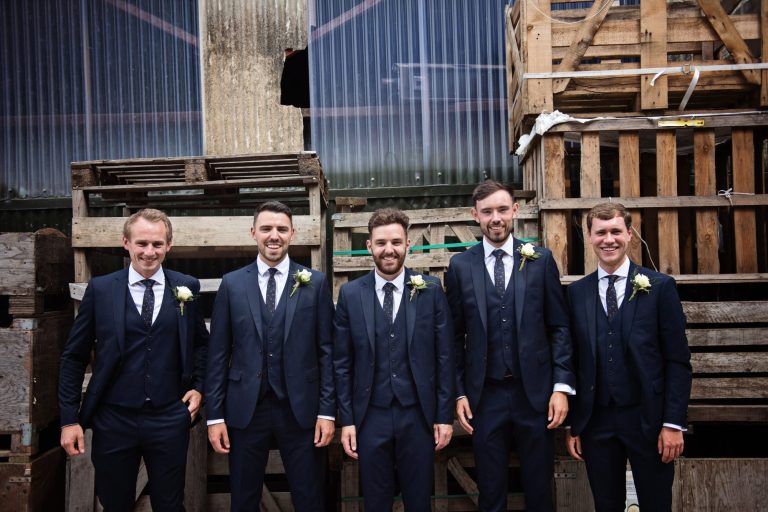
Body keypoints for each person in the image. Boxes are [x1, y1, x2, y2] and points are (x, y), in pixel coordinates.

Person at [58, 208, 209, 512]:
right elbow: (74, 357)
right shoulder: (102, 289)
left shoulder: (186, 287)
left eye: (157, 244)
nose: (149, 252)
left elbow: (201, 346)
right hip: (114, 418)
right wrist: (69, 419)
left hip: (169, 417)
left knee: (171, 505)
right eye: (142, 243)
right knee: (115, 504)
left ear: (169, 245)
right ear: (125, 243)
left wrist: (199, 387)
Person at [445, 180, 575, 512]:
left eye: (502, 210)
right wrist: (459, 392)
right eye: (487, 211)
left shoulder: (541, 260)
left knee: (539, 491)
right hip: (484, 397)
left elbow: (559, 328)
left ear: (515, 211)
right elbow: (453, 337)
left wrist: (561, 387)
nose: (496, 218)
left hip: (535, 396)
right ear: (475, 215)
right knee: (490, 493)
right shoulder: (460, 267)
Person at [205, 201, 335, 512]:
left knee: (309, 496)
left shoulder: (315, 282)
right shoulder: (233, 284)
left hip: (301, 409)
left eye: (281, 229)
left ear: (292, 233)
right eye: (266, 228)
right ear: (253, 233)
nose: (273, 235)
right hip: (246, 409)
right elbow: (218, 354)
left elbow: (327, 351)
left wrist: (327, 412)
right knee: (243, 497)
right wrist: (215, 416)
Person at [565, 202, 691, 511]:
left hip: (649, 419)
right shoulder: (576, 293)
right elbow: (573, 361)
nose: (608, 239)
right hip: (596, 423)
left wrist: (673, 423)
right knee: (606, 505)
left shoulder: (659, 287)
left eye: (616, 231)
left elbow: (677, 361)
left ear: (629, 234)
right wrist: (574, 425)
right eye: (600, 233)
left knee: (656, 504)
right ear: (589, 236)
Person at [333, 208, 454, 512]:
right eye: (381, 243)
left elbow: (445, 357)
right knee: (375, 502)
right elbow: (342, 363)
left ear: (408, 244)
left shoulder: (431, 290)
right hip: (370, 416)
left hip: (418, 415)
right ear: (369, 246)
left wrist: (443, 416)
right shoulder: (350, 294)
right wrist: (347, 421)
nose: (389, 250)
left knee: (419, 500)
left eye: (396, 242)